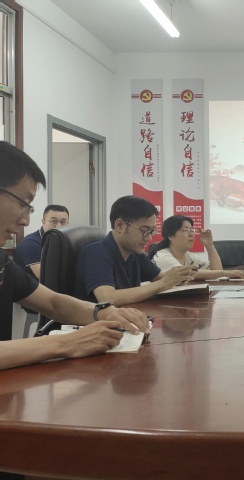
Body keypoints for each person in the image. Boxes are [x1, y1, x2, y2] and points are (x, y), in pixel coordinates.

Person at [0, 141, 150, 370]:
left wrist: (106, 312)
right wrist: (66, 343)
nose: (26, 220)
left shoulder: (2, 262)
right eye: (23, 204)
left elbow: (52, 302)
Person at [75, 196, 195, 306]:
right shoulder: (96, 252)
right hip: (98, 322)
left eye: (152, 231)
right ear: (120, 226)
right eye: (144, 230)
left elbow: (160, 278)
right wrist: (163, 283)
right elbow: (108, 298)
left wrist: (178, 279)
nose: (149, 238)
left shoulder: (135, 252)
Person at [147, 215, 244, 280]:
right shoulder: (162, 256)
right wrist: (226, 273)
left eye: (192, 230)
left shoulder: (189, 256)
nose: (191, 234)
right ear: (170, 236)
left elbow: (216, 270)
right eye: (185, 230)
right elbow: (187, 274)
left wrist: (209, 245)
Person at [14, 204, 70, 279]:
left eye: (63, 222)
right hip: (33, 285)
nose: (58, 226)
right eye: (53, 221)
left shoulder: (65, 241)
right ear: (43, 222)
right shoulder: (30, 243)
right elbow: (45, 277)